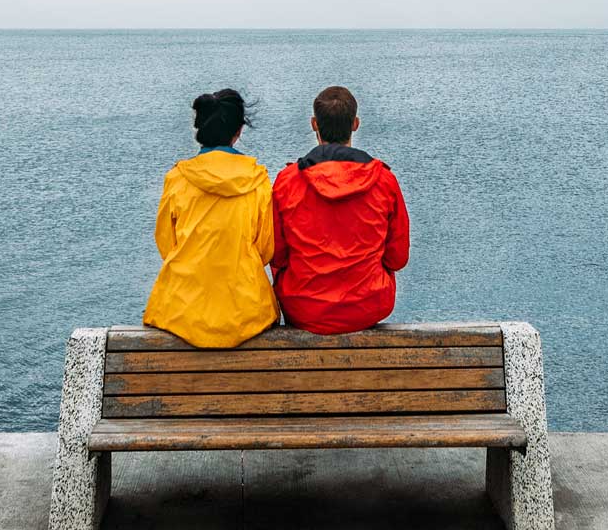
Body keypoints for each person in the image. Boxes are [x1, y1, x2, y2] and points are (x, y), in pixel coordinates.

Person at [141, 88, 278, 348]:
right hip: (247, 310)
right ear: (238, 132)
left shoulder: (177, 178)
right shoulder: (257, 179)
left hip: (180, 310)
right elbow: (265, 248)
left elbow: (166, 244)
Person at [270, 85, 410, 334]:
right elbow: (397, 258)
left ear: (314, 124)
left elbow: (277, 256)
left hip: (303, 308)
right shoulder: (384, 180)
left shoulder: (287, 181)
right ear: (355, 124)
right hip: (368, 306)